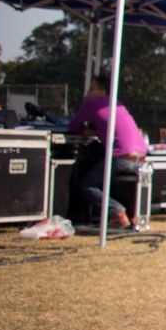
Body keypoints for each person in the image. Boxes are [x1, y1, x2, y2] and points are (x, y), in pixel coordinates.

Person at [67, 74, 147, 228]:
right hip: (141, 156)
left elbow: (73, 126)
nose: (88, 93)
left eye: (91, 89)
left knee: (87, 185)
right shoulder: (118, 105)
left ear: (101, 91)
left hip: (121, 156)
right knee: (109, 181)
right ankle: (128, 214)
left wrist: (86, 132)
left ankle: (117, 212)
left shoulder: (92, 102)